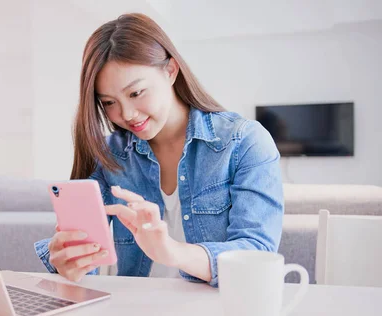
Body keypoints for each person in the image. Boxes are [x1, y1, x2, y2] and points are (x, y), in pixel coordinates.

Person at [34, 13, 283, 287]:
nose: (126, 114)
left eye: (136, 93)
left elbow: (257, 254)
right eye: (108, 102)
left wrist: (172, 252)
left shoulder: (244, 142)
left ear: (171, 71)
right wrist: (70, 264)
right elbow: (87, 262)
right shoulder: (109, 156)